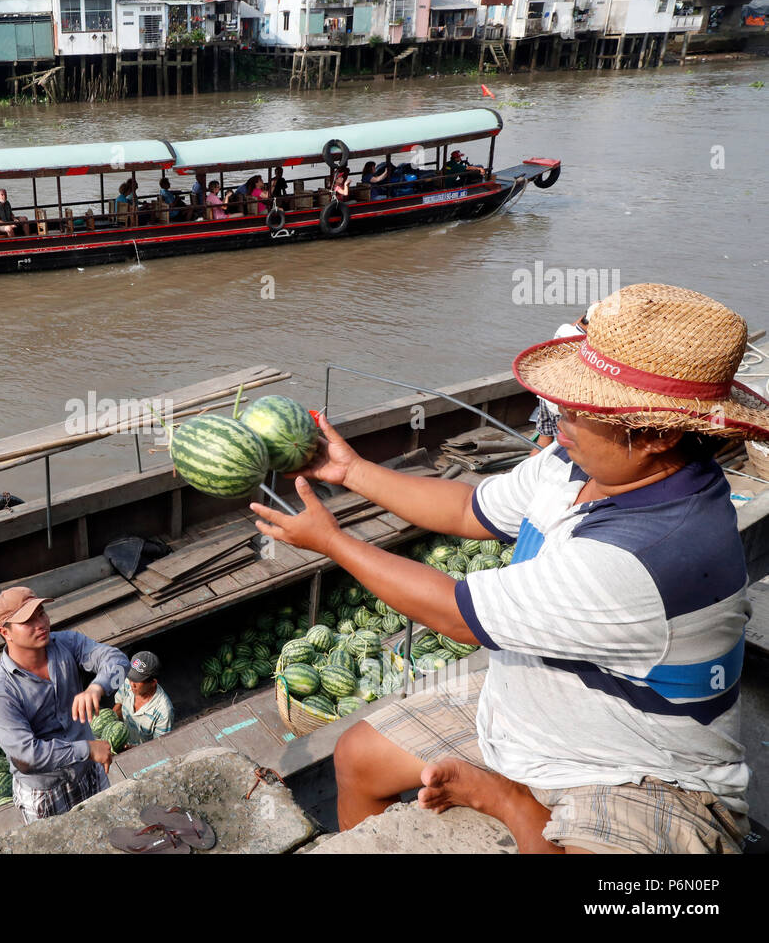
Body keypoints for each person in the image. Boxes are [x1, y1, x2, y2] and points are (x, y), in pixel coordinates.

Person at [251, 283, 761, 854]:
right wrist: (352, 472)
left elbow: (455, 615)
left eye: (583, 405)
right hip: (539, 703)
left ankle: (510, 800)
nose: (559, 414)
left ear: (658, 434)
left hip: (639, 765)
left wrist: (333, 543)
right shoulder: (574, 460)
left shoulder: (648, 553)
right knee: (359, 757)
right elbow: (467, 508)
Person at [0, 586, 130, 823]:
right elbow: (27, 757)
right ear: (5, 632)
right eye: (28, 620)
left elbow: (120, 664)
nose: (40, 623)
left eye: (41, 613)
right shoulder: (0, 693)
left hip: (88, 771)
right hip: (45, 792)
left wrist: (98, 686)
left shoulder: (67, 643)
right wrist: (87, 749)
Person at [531, 311, 590, 453]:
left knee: (544, 439)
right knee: (564, 446)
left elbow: (578, 323)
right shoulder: (586, 343)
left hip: (546, 393)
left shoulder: (564, 329)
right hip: (562, 400)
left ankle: (529, 469)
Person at [112, 651, 174, 744]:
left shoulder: (164, 712)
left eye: (137, 680)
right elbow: (119, 705)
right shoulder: (129, 682)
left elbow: (159, 746)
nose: (132, 684)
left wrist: (130, 749)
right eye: (131, 677)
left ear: (153, 682)